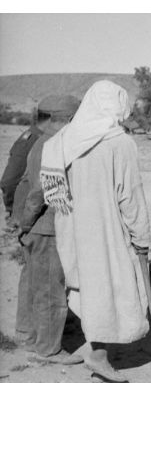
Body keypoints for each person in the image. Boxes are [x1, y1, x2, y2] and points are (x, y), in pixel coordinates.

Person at [41, 80, 151, 382]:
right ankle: (99, 356)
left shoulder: (66, 139)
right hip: (105, 229)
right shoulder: (120, 143)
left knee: (86, 286)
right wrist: (141, 238)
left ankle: (90, 345)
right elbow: (130, 195)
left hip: (72, 226)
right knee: (108, 288)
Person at [14, 95, 82, 363]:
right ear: (62, 119)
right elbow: (41, 191)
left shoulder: (40, 142)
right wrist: (28, 223)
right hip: (47, 227)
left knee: (34, 284)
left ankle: (29, 336)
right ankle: (48, 348)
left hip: (36, 227)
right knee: (51, 290)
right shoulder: (54, 145)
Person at [1, 105, 49, 226]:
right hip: (30, 218)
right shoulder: (31, 141)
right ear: (50, 120)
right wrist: (15, 210)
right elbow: (9, 182)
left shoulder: (41, 138)